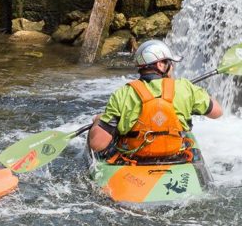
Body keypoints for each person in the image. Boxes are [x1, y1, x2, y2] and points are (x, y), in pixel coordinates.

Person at [87, 39, 223, 165]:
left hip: (135, 158)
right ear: (160, 65)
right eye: (170, 63)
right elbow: (217, 112)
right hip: (175, 156)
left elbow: (98, 144)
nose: (172, 67)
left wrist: (99, 120)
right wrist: (193, 96)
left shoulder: (122, 94)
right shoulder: (185, 88)